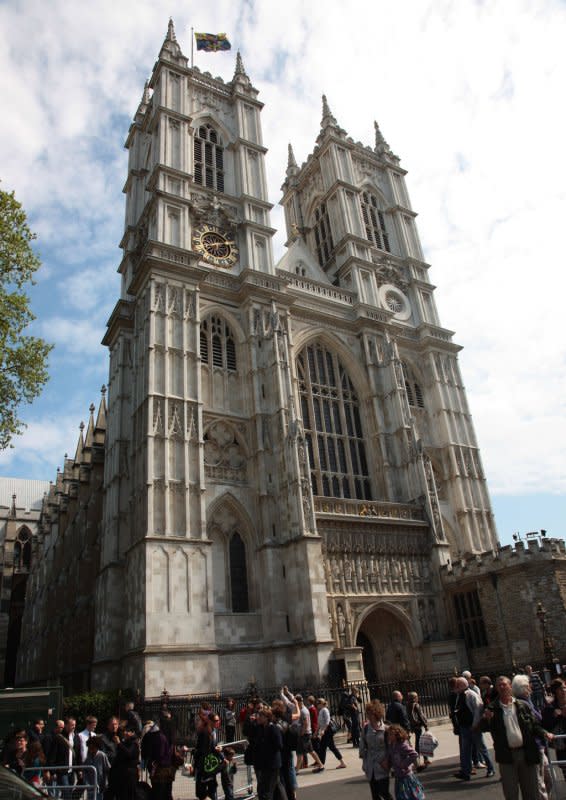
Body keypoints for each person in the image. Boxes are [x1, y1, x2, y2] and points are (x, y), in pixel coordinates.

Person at [480, 675, 553, 800]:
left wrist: (545, 733)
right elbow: (482, 728)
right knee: (511, 793)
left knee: (531, 792)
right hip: (506, 756)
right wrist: (486, 719)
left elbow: (534, 725)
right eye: (499, 685)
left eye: (504, 684)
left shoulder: (522, 705)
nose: (502, 687)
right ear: (496, 688)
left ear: (510, 686)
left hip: (526, 753)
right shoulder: (492, 708)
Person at [512, 673, 551, 800]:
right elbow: (536, 720)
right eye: (529, 686)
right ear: (524, 688)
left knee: (547, 778)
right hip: (534, 746)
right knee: (540, 782)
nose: (531, 688)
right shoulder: (522, 704)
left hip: (539, 745)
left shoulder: (528, 701)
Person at [359, 700, 392, 800]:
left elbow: (390, 747)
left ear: (377, 713)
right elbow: (362, 746)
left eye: (370, 713)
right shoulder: (365, 728)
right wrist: (364, 763)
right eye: (367, 713)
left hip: (382, 764)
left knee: (384, 793)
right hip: (370, 765)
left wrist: (388, 762)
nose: (368, 715)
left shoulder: (386, 728)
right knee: (375, 795)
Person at [452, 676, 482, 781]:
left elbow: (478, 709)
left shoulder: (471, 694)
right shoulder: (459, 695)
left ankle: (490, 768)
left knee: (481, 747)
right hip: (464, 726)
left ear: (462, 685)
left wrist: (475, 724)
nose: (455, 687)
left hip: (472, 726)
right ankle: (466, 772)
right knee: (466, 750)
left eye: (457, 685)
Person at [253, 707, 287, 800]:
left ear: (267, 717)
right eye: (258, 715)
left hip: (272, 763)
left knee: (267, 789)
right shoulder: (260, 728)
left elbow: (279, 745)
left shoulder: (273, 728)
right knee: (275, 786)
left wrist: (266, 748)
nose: (258, 717)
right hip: (265, 763)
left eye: (260, 716)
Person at [386, 724, 424, 800]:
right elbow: (390, 758)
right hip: (398, 777)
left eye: (391, 734)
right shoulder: (391, 746)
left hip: (406, 777)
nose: (389, 736)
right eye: (388, 734)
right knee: (401, 795)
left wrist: (404, 763)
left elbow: (414, 754)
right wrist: (388, 765)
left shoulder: (402, 745)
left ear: (397, 735)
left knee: (410, 795)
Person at [542, 678, 566, 777]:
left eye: (565, 688)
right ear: (555, 691)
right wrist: (554, 717)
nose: (564, 690)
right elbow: (545, 726)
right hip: (562, 746)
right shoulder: (550, 708)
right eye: (561, 689)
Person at [294, 694, 324, 773]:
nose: (295, 705)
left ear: (299, 702)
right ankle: (321, 765)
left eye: (296, 703)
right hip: (307, 734)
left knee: (299, 752)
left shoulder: (304, 711)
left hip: (304, 734)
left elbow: (306, 723)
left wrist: (301, 733)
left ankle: (296, 770)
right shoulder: (303, 709)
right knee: (311, 751)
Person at [314, 698, 346, 769]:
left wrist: (323, 730)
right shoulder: (321, 711)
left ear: (321, 704)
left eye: (318, 703)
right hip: (326, 731)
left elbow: (327, 721)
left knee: (323, 748)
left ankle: (321, 764)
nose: (317, 705)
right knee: (331, 747)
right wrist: (317, 731)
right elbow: (320, 723)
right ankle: (342, 763)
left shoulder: (324, 710)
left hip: (327, 731)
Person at [406, 692, 429, 770]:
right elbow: (420, 716)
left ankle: (425, 759)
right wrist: (425, 725)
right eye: (417, 696)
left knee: (419, 741)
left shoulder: (408, 705)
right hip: (418, 725)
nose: (418, 698)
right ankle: (418, 760)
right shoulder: (416, 705)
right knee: (420, 742)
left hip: (413, 726)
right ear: (415, 697)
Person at [84, 736, 111, 800]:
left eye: (92, 748)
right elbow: (85, 772)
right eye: (89, 748)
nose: (91, 750)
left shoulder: (102, 755)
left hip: (101, 786)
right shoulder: (88, 758)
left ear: (97, 747)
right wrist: (86, 783)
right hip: (91, 786)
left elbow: (108, 769)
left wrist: (106, 782)